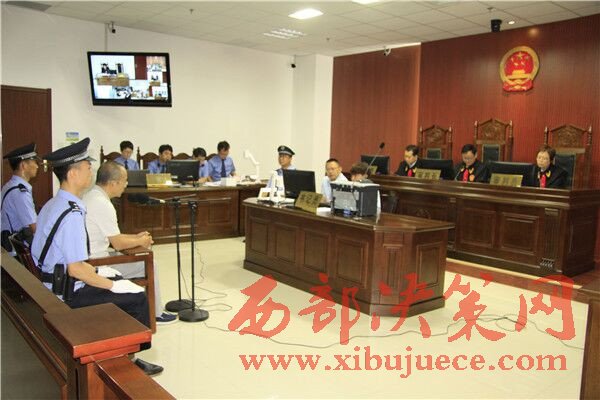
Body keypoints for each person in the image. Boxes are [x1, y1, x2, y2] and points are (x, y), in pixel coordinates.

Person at [31, 138, 163, 375]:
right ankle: (126, 361)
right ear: (73, 174)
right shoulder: (71, 212)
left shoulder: (54, 203)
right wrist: (112, 285)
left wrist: (101, 274)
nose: (91, 172)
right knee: (137, 298)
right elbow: (76, 269)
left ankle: (120, 355)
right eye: (87, 167)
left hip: (50, 283)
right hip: (66, 292)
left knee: (121, 285)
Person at [83, 161, 177, 324]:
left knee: (142, 257)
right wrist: (141, 240)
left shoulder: (92, 196)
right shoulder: (102, 204)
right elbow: (117, 243)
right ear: (113, 183)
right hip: (97, 263)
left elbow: (112, 236)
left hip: (91, 258)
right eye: (124, 180)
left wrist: (136, 238)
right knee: (149, 264)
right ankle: (155, 314)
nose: (126, 184)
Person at [1, 143, 39, 252]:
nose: (37, 166)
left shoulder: (9, 186)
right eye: (34, 162)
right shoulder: (20, 192)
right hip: (18, 251)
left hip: (10, 247)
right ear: (23, 165)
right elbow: (34, 227)